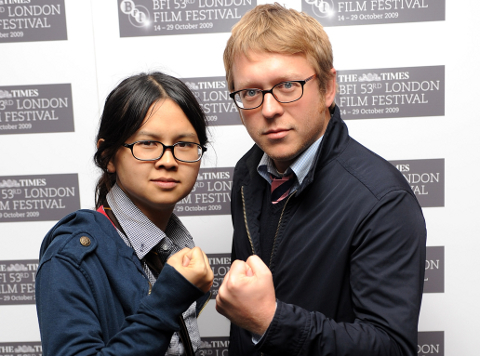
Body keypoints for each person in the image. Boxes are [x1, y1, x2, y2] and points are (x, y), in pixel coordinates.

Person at [215, 3, 427, 356]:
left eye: (287, 85)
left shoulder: (382, 200)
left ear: (328, 88)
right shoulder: (247, 173)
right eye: (250, 92)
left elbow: (391, 348)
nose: (269, 109)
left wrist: (272, 322)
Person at [36, 72, 214, 356]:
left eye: (183, 144)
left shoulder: (176, 249)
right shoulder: (70, 256)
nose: (168, 161)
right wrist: (166, 302)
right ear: (108, 156)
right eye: (147, 143)